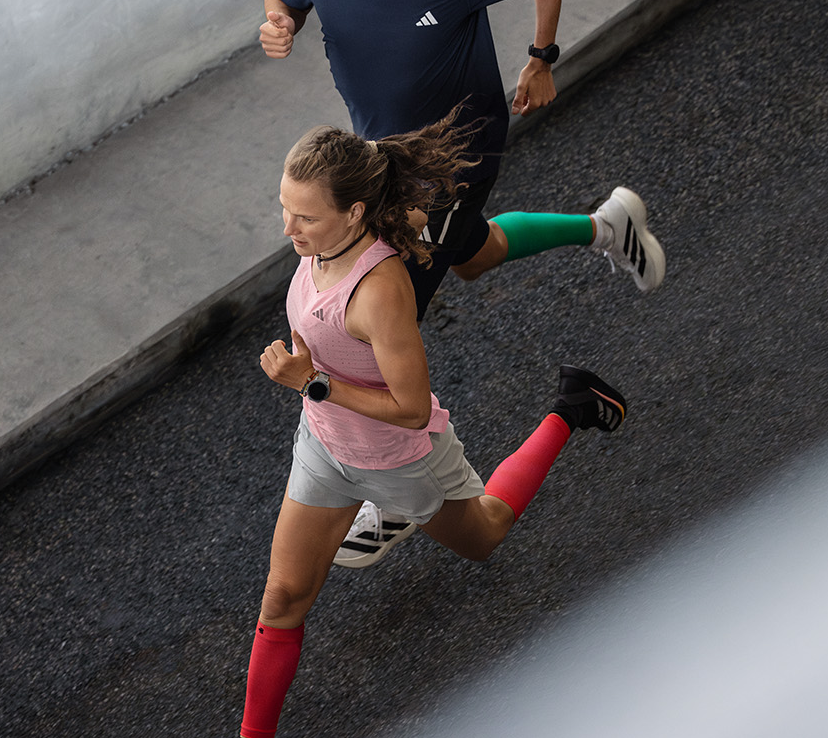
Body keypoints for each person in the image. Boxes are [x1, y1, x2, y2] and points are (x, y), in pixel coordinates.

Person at [260, 0, 664, 567]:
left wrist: (541, 59)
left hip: (456, 163)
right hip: (382, 157)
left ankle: (397, 490)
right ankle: (607, 226)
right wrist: (280, 24)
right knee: (473, 256)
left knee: (383, 310)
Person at [240, 115, 629, 738]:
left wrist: (314, 382)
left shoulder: (379, 290)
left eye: (304, 216)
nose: (287, 227)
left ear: (354, 213)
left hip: (400, 461)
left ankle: (571, 408)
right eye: (284, 208)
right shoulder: (321, 247)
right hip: (324, 448)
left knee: (485, 534)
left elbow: (413, 409)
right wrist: (313, 381)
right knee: (283, 598)